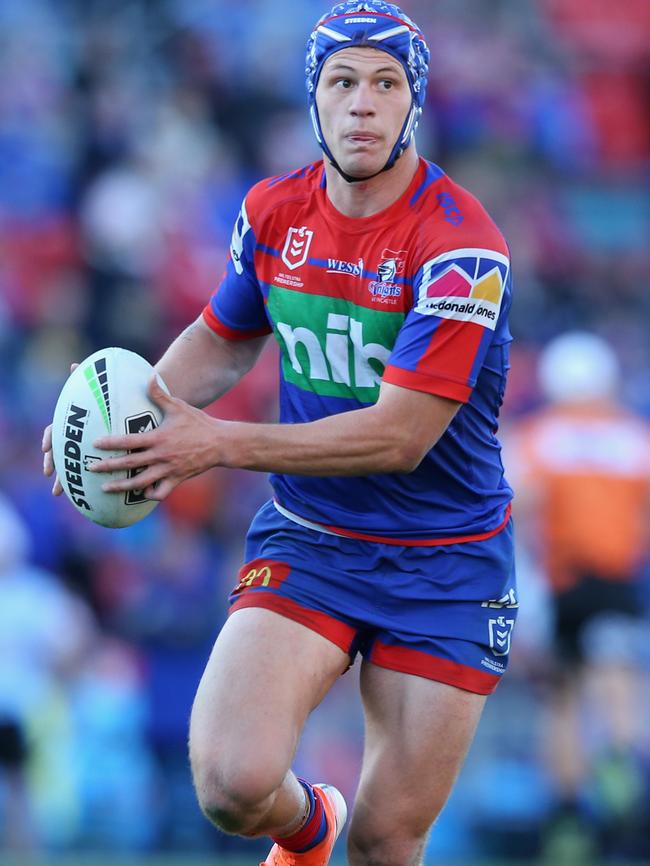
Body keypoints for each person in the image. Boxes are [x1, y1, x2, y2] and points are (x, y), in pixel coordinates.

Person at [43, 3, 517, 864]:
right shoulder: (272, 213)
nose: (364, 104)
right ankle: (310, 830)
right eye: (343, 83)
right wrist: (117, 421)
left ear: (415, 102)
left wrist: (217, 444)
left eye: (386, 83)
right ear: (314, 100)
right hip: (314, 539)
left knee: (386, 841)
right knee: (232, 786)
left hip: (447, 562)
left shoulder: (463, 248)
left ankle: (348, 834)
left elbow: (398, 437)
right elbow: (220, 343)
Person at [506, 331, 650, 858]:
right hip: (614, 582)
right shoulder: (634, 438)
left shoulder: (537, 436)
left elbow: (518, 510)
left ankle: (566, 817)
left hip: (557, 583)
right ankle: (620, 772)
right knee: (617, 685)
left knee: (561, 702)